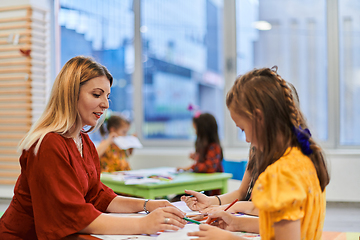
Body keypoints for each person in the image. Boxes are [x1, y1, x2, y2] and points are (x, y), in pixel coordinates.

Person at [0, 56, 186, 240]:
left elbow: (98, 196)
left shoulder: (84, 142)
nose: (105, 104)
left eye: (107, 96)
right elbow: (71, 215)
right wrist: (142, 224)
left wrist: (148, 205)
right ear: (71, 94)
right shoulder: (48, 144)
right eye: (97, 95)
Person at [186, 67, 330, 240]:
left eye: (243, 129)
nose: (246, 139)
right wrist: (237, 224)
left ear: (259, 118)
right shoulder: (304, 157)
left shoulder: (279, 174)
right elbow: (287, 228)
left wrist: (228, 238)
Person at [177, 113, 224, 195]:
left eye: (196, 130)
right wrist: (196, 156)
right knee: (178, 198)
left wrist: (190, 167)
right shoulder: (204, 147)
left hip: (210, 190)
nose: (195, 133)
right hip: (201, 188)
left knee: (180, 199)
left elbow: (209, 167)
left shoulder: (214, 147)